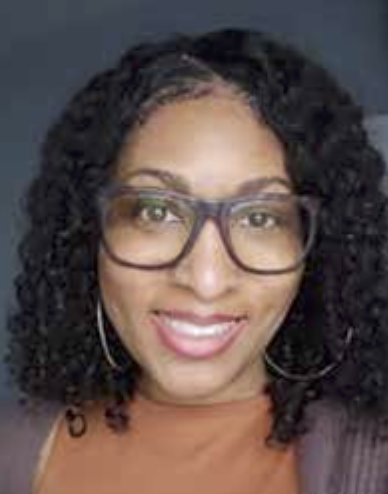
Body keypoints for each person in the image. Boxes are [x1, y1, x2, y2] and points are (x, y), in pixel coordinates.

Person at [1, 27, 388, 494]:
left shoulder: (369, 464)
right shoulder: (16, 453)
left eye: (260, 217)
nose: (205, 280)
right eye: (157, 211)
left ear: (314, 249)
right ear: (91, 232)